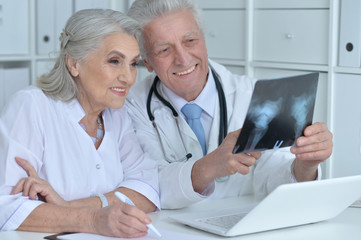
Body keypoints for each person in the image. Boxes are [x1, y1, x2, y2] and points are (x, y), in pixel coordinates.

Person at [125, 0, 333, 209]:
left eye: (189, 40)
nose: (182, 59)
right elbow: (144, 184)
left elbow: (275, 179)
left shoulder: (252, 94)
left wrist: (306, 164)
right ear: (148, 61)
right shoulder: (132, 106)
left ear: (203, 40)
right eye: (164, 50)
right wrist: (208, 167)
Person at [0, 9, 160, 238]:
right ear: (74, 64)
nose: (129, 77)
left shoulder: (116, 114)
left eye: (133, 64)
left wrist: (68, 208)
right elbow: (6, 206)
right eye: (114, 61)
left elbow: (147, 188)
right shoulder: (32, 107)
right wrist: (93, 220)